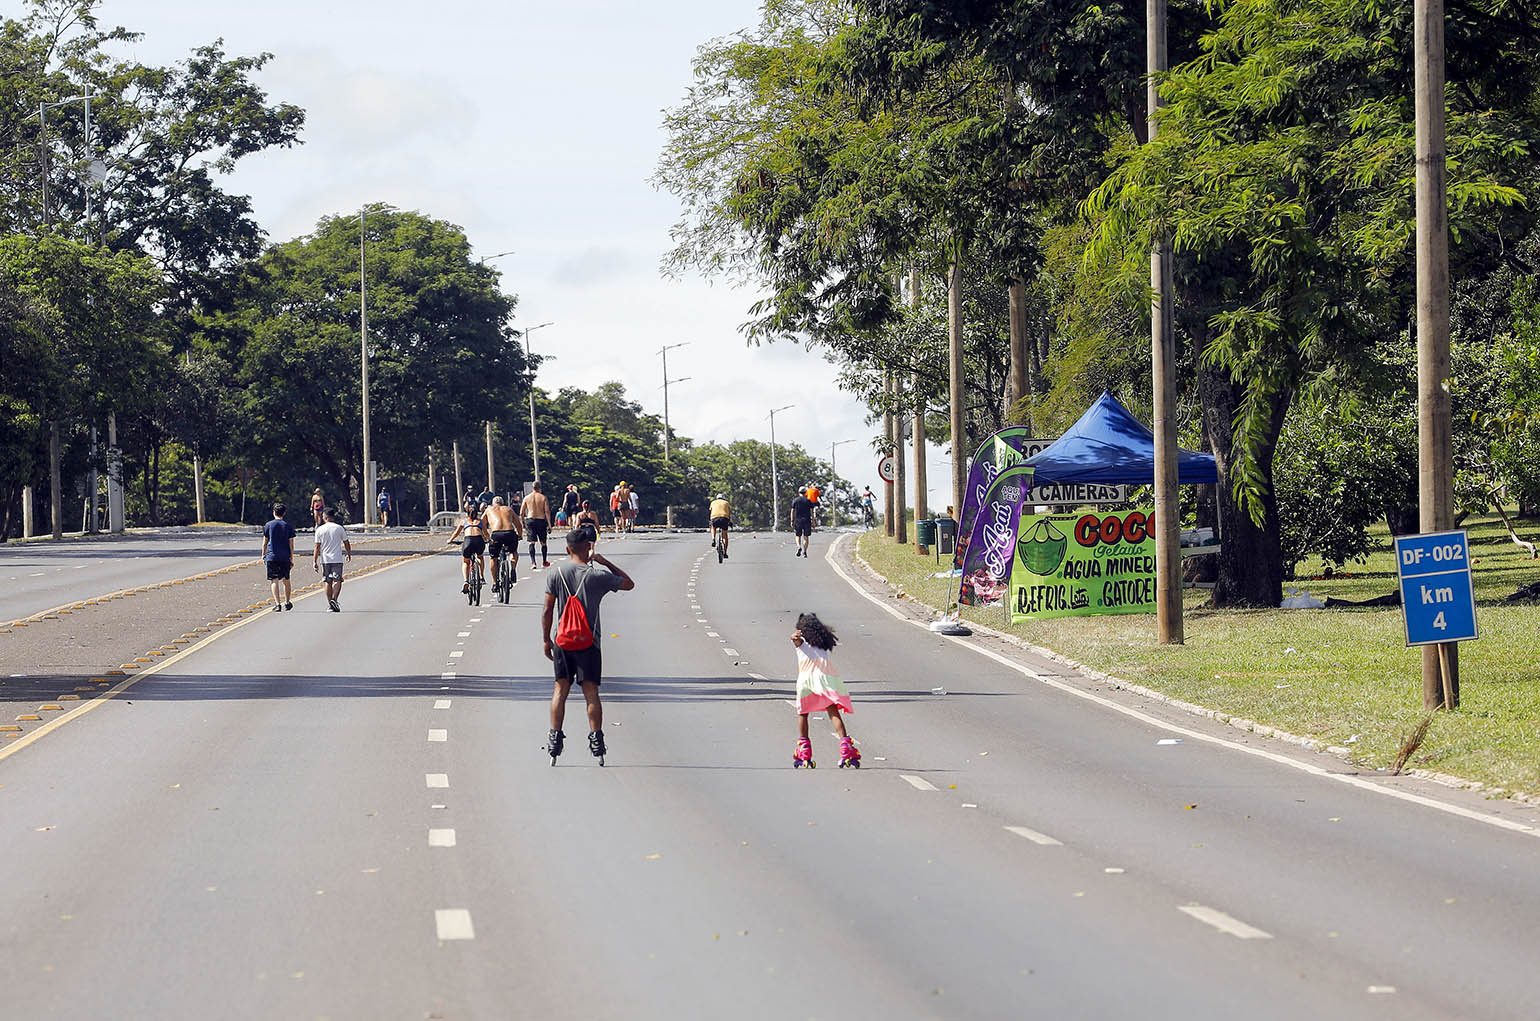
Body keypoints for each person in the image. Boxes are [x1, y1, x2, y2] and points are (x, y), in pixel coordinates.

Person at [541, 524, 635, 764]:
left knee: (560, 690)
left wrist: (546, 640)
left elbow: (547, 610)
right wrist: (603, 561)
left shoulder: (555, 573)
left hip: (562, 641)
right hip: (589, 643)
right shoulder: (597, 576)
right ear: (588, 548)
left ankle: (554, 739)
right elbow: (628, 583)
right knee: (591, 693)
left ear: (567, 548)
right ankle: (597, 741)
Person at [790, 612, 859, 768]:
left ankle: (804, 748)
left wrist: (797, 634)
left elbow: (794, 638)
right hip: (824, 680)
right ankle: (845, 746)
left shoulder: (801, 642)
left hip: (806, 681)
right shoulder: (822, 643)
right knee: (833, 712)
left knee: (802, 713)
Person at [312, 509, 352, 611]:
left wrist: (315, 561)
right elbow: (346, 542)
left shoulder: (320, 530)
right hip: (337, 559)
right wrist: (348, 553)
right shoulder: (339, 528)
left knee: (327, 581)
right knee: (337, 580)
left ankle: (330, 604)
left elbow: (317, 546)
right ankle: (334, 599)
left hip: (325, 560)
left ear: (325, 517)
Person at [482, 495, 523, 590]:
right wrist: (519, 535)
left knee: (493, 558)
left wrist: (486, 536)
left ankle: (495, 583)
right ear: (502, 502)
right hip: (509, 533)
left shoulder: (489, 509)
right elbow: (518, 524)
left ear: (493, 503)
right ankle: (513, 569)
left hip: (496, 534)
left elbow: (482, 523)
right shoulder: (508, 509)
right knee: (513, 552)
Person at [262, 502, 297, 612]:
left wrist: (264, 555)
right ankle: (287, 602)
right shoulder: (288, 526)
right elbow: (291, 544)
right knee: (286, 580)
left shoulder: (268, 525)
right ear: (284, 513)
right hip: (284, 557)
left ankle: (277, 604)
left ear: (274, 512)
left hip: (272, 556)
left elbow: (265, 542)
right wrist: (291, 558)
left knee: (274, 580)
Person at [448, 503, 488, 594]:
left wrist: (450, 540)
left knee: (466, 561)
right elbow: (485, 534)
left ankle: (466, 580)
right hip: (479, 541)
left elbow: (456, 533)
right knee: (480, 557)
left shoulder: (463, 521)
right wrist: (489, 540)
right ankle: (481, 577)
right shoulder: (480, 521)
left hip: (468, 541)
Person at [520, 482, 552, 568]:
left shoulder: (527, 498)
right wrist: (549, 524)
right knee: (543, 543)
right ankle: (544, 561)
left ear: (532, 488)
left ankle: (533, 562)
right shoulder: (543, 497)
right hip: (541, 520)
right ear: (540, 488)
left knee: (531, 542)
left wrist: (523, 522)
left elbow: (521, 512)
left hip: (530, 520)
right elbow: (547, 511)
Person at [790, 487, 815, 558]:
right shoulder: (808, 501)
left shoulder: (795, 500)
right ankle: (804, 552)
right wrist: (813, 521)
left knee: (798, 536)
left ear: (799, 492)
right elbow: (812, 512)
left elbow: (792, 511)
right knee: (806, 537)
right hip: (807, 520)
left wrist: (792, 520)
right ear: (806, 493)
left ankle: (799, 547)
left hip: (798, 520)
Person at [709, 493, 732, 558]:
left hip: (714, 517)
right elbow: (729, 513)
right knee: (724, 535)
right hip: (724, 518)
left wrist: (711, 520)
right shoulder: (726, 503)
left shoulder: (713, 502)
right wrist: (729, 521)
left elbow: (710, 512)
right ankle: (725, 552)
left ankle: (713, 539)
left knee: (713, 527)